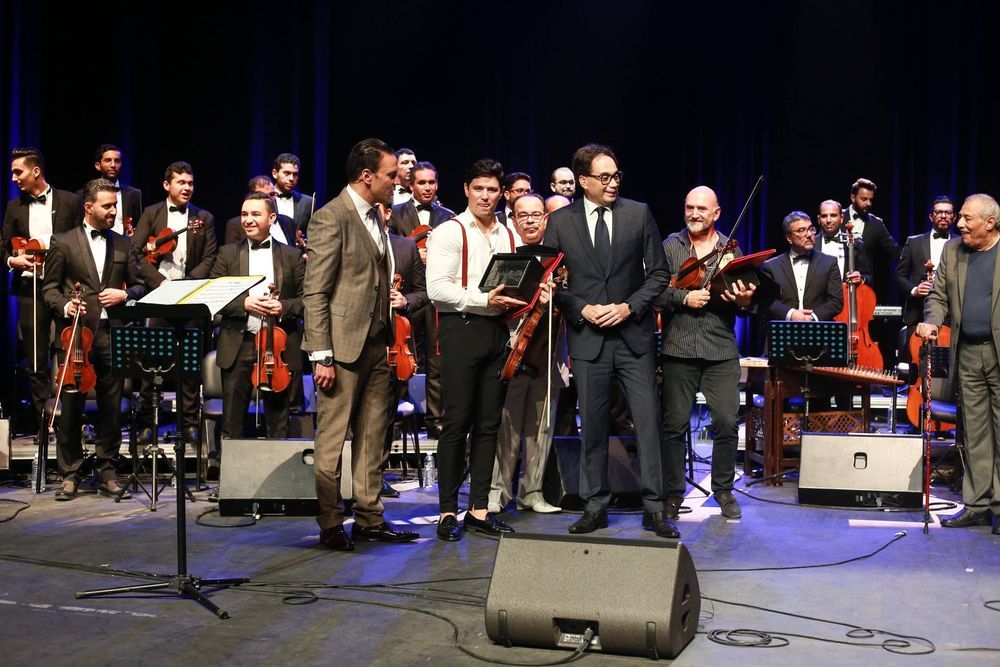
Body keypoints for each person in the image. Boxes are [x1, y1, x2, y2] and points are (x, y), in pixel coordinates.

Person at [543, 143, 676, 537]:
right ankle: (594, 506)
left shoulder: (638, 213)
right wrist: (581, 309)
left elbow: (659, 274)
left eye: (616, 175)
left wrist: (628, 307)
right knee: (593, 426)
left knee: (648, 424)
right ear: (583, 181)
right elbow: (552, 281)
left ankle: (656, 509)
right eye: (604, 177)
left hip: (633, 338)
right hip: (588, 338)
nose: (613, 183)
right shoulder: (560, 221)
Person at [302, 137, 418, 551]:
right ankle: (331, 522)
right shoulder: (332, 216)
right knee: (332, 441)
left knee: (373, 436)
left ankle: (369, 518)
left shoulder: (377, 216)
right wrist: (322, 354)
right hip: (341, 350)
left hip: (377, 346)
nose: (397, 181)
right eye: (391, 175)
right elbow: (316, 292)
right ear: (367, 176)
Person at [426, 158, 525, 541]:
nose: (485, 196)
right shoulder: (450, 231)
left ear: (502, 194)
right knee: (456, 423)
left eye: (492, 190)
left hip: (497, 333)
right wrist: (484, 300)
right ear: (466, 189)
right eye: (479, 188)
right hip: (461, 329)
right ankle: (447, 511)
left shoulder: (508, 234)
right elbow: (437, 289)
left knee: (488, 424)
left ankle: (479, 510)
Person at [41, 179, 147, 500]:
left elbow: (140, 285)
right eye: (107, 206)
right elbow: (50, 289)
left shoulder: (124, 244)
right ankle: (70, 473)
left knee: (111, 406)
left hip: (111, 334)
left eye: (115, 205)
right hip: (76, 337)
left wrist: (125, 294)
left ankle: (107, 471)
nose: (114, 211)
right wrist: (66, 305)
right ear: (89, 207)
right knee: (72, 405)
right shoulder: (63, 242)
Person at [657, 185, 756, 522]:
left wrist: (743, 300)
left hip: (720, 347)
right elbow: (653, 290)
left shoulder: (732, 249)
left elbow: (745, 303)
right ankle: (673, 493)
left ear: (716, 213)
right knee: (674, 424)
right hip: (678, 347)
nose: (694, 214)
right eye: (690, 207)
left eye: (702, 208)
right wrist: (682, 298)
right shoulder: (670, 246)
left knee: (727, 421)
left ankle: (723, 490)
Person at [917, 193, 1000, 536]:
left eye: (967, 218)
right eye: (960, 218)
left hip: (997, 352)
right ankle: (978, 505)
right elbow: (938, 296)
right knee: (975, 432)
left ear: (990, 223)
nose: (960, 224)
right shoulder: (952, 251)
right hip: (966, 352)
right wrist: (932, 321)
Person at [131, 161, 218, 449]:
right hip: (159, 297)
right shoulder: (151, 213)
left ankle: (189, 424)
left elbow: (210, 257)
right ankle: (147, 424)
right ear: (167, 185)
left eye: (190, 183)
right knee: (151, 364)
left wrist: (187, 285)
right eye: (181, 182)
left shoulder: (204, 217)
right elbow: (136, 253)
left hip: (190, 298)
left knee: (190, 367)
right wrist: (160, 283)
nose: (187, 187)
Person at [489, 191, 564, 514]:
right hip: (512, 349)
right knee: (506, 426)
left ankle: (532, 493)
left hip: (549, 350)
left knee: (541, 426)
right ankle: (497, 492)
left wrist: (556, 299)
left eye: (536, 215)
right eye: (523, 215)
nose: (530, 221)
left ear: (545, 219)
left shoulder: (560, 259)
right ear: (514, 219)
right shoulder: (505, 254)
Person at [210, 192, 305, 440]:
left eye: (255, 214)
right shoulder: (227, 254)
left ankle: (278, 467)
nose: (248, 220)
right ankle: (232, 467)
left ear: (271, 218)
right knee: (232, 424)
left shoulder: (292, 255)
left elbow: (308, 300)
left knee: (279, 424)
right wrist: (244, 303)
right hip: (239, 343)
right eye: (244, 214)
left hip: (278, 347)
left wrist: (282, 307)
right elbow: (213, 296)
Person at [2, 147, 79, 419]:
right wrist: (13, 261)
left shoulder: (70, 201)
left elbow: (80, 240)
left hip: (64, 287)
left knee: (68, 351)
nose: (14, 178)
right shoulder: (14, 207)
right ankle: (44, 424)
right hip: (30, 288)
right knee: (36, 358)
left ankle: (71, 419)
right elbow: (3, 246)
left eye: (18, 172)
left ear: (36, 171)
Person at [390, 161, 454, 438]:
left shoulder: (449, 217)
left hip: (438, 296)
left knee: (437, 361)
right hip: (406, 294)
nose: (427, 187)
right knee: (403, 357)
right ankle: (398, 422)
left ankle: (436, 421)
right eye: (421, 183)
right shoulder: (395, 213)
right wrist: (416, 256)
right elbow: (390, 249)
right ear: (411, 185)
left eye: (431, 182)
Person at [380, 207, 427, 498]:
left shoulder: (406, 247)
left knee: (385, 413)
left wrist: (404, 300)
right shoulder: (350, 241)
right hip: (359, 343)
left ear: (387, 213)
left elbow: (424, 292)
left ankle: (376, 475)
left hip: (394, 345)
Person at [759, 211, 844, 322]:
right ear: (789, 238)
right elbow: (765, 300)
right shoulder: (771, 266)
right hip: (784, 329)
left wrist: (812, 318)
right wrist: (791, 314)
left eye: (811, 229)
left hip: (818, 328)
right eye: (801, 230)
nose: (809, 235)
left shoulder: (829, 263)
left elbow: (836, 301)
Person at [896, 196, 957, 326]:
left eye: (948, 212)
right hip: (918, 312)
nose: (943, 216)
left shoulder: (961, 244)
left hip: (952, 314)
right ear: (931, 216)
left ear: (954, 217)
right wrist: (914, 290)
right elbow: (899, 275)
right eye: (939, 212)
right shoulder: (914, 242)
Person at [844, 178, 900, 299]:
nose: (868, 203)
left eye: (871, 200)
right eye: (864, 199)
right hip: (837, 286)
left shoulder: (877, 223)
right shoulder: (838, 218)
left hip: (863, 286)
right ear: (853, 197)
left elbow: (894, 251)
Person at [74, 144, 143, 235]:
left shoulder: (133, 194)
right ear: (98, 165)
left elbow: (138, 226)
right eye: (108, 160)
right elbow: (78, 225)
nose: (113, 165)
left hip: (123, 243)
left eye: (117, 161)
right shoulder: (83, 194)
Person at [814, 200, 872, 285]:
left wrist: (861, 279)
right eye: (824, 216)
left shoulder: (856, 243)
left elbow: (869, 278)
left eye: (833, 215)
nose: (828, 220)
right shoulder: (811, 244)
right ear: (819, 219)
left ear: (841, 218)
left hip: (846, 292)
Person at [223, 176, 281, 244]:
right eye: (262, 195)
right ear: (252, 196)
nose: (269, 199)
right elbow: (231, 250)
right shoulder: (235, 225)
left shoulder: (287, 221)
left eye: (272, 194)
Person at [272, 153, 314, 235]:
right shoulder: (264, 200)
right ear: (275, 173)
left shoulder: (309, 202)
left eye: (295, 174)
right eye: (287, 173)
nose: (291, 178)